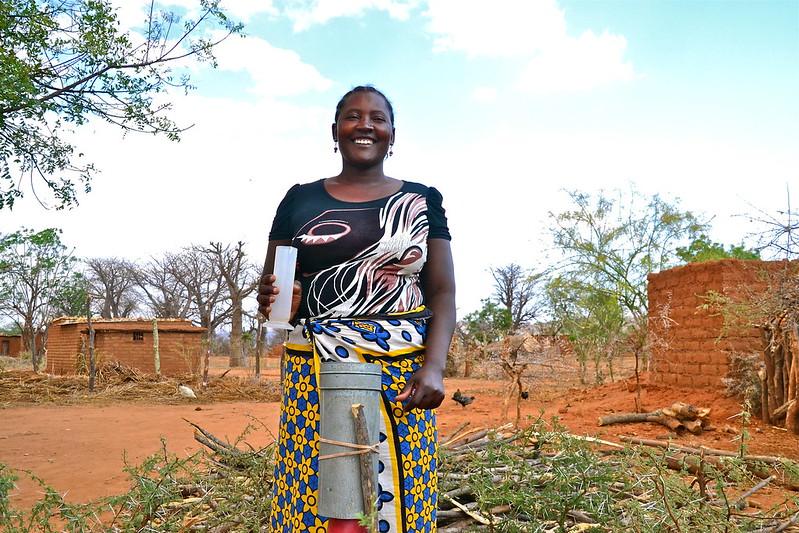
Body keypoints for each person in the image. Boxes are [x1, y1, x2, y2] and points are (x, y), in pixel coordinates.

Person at [257, 85, 456, 533]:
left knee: (397, 490)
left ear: (391, 134)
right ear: (335, 131)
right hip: (315, 370)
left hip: (402, 372)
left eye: (377, 118)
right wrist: (279, 303)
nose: (365, 125)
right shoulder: (298, 200)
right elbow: (272, 293)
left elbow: (442, 292)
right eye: (352, 116)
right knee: (315, 487)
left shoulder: (422, 200)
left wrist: (434, 368)